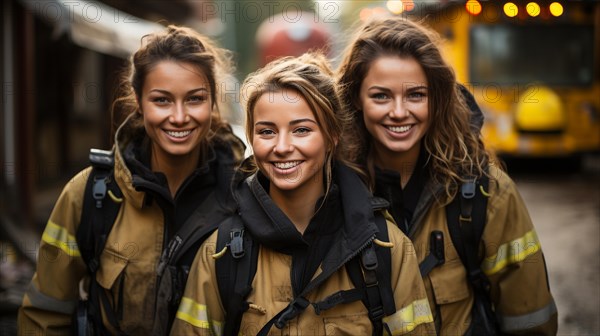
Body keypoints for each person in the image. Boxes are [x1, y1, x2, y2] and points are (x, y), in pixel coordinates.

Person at [170, 53, 435, 335]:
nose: (282, 146)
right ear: (251, 138)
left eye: (301, 130)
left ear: (332, 135)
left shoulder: (387, 247)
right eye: (267, 131)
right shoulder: (220, 252)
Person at [336, 17, 558, 335]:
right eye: (381, 96)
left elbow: (530, 319)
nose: (399, 112)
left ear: (437, 98)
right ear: (356, 98)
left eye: (415, 95)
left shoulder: (486, 191)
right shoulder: (332, 191)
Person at [18, 25, 245, 335]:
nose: (179, 117)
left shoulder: (245, 196)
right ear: (138, 102)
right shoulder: (89, 194)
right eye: (162, 100)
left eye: (194, 99)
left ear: (213, 102)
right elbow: (45, 314)